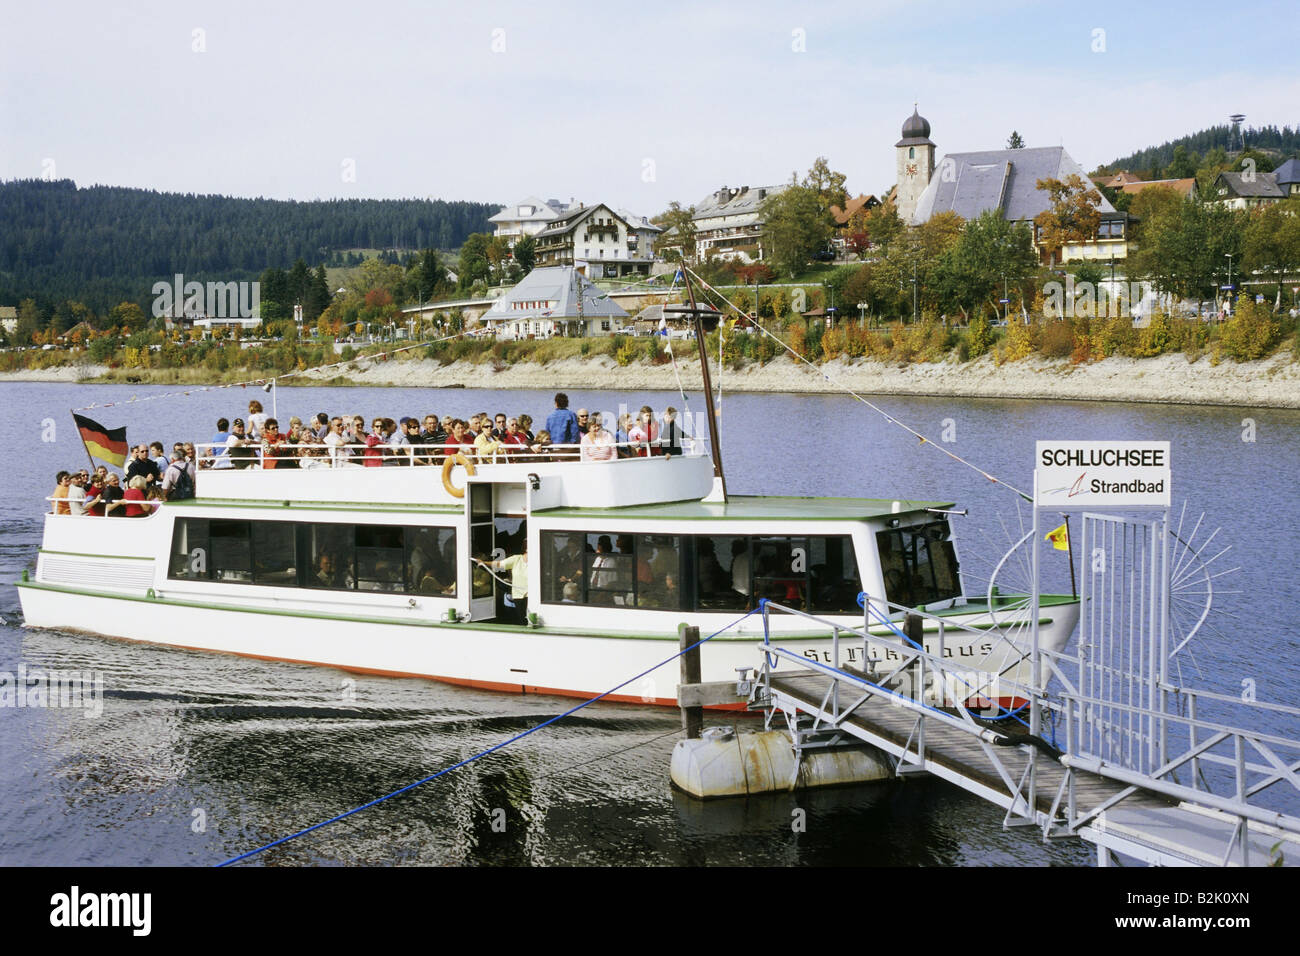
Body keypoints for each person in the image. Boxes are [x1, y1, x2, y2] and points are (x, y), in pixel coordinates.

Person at [484, 544, 529, 624]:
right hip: (518, 595)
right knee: (522, 620)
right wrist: (483, 562)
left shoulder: (539, 559)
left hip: (533, 596)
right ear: (526, 549)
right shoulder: (516, 559)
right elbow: (499, 564)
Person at [545, 393, 580, 459]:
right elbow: (575, 433)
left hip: (554, 448)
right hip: (567, 448)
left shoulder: (550, 416)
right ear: (567, 403)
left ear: (556, 403)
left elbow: (547, 433)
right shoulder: (571, 415)